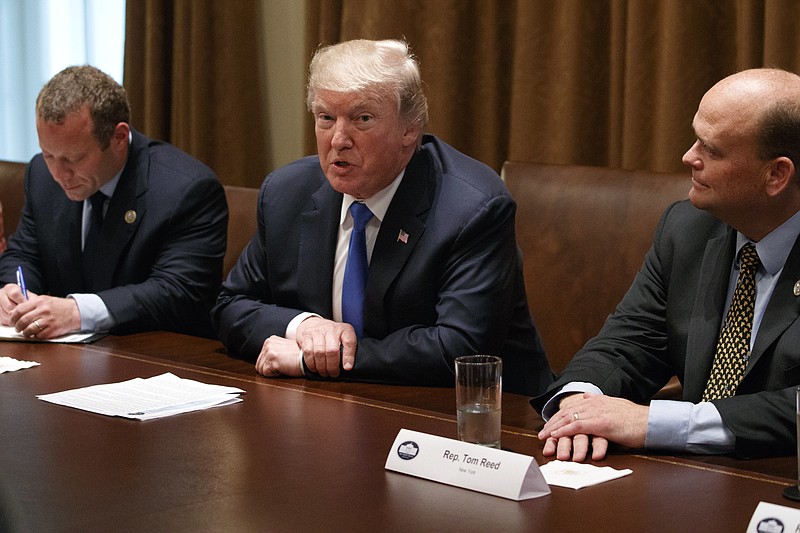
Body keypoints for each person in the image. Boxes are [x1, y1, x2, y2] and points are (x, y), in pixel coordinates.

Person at [211, 39, 553, 395]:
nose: (338, 140)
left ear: (410, 129)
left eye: (362, 119)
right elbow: (229, 306)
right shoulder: (286, 193)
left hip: (483, 420)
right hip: (336, 411)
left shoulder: (472, 208)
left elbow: (460, 348)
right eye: (326, 118)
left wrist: (317, 360)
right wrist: (305, 327)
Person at [533, 68, 800, 460]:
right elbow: (629, 342)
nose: (688, 156)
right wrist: (580, 404)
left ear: (776, 174)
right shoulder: (688, 229)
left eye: (712, 150)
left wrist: (656, 423)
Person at [0, 65, 228, 339]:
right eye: (49, 155)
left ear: (119, 137)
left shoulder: (186, 190)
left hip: (155, 358)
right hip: (67, 356)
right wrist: (13, 293)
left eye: (74, 159)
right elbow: (24, 254)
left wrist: (76, 312)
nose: (59, 175)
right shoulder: (40, 176)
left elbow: (178, 291)